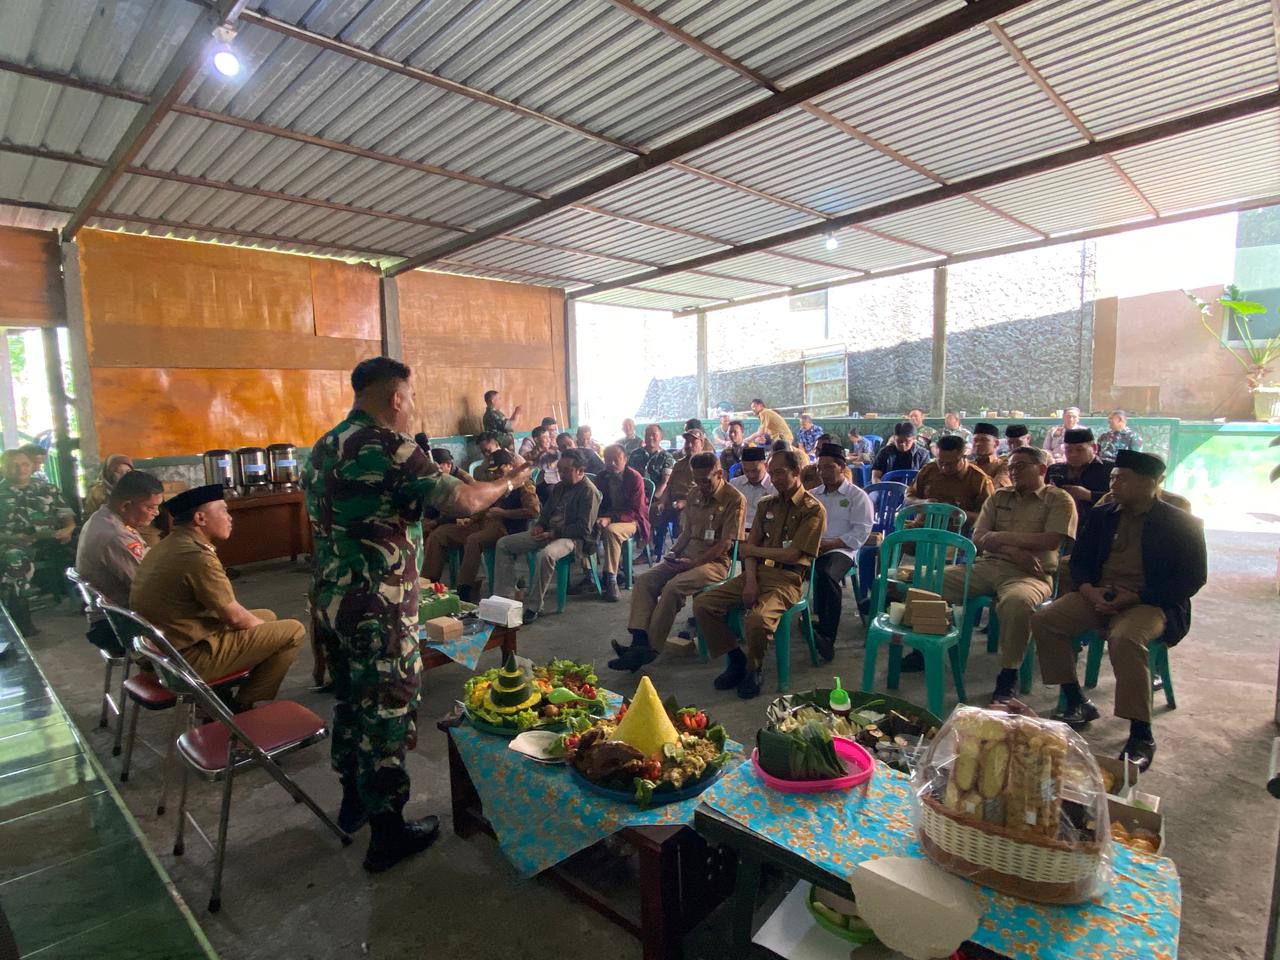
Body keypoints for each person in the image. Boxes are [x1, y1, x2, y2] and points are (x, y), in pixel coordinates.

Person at [304, 357, 527, 871]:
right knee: (388, 707)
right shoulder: (389, 447)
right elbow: (468, 500)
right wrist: (510, 482)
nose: (410, 409)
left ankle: (353, 799)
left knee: (351, 699)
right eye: (410, 398)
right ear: (396, 398)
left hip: (333, 600)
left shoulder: (324, 447)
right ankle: (387, 832)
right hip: (378, 604)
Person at [1033, 451, 1206, 771]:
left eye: (1122, 479)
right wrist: (1088, 590)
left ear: (1152, 483)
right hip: (1099, 593)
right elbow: (1080, 561)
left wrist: (1136, 596)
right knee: (1046, 620)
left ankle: (1141, 733)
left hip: (1150, 601)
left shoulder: (1181, 523)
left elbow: (1193, 579)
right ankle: (1075, 700)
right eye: (1112, 478)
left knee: (1125, 638)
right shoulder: (1103, 515)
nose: (1114, 485)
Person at [131, 484, 305, 707]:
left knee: (268, 616)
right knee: (293, 631)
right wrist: (260, 631)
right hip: (183, 661)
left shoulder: (170, 545)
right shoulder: (197, 557)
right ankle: (242, 707)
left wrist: (260, 629)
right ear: (201, 518)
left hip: (161, 651)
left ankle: (223, 696)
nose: (229, 517)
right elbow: (234, 617)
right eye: (223, 511)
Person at [932, 447, 1077, 703]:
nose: (1013, 471)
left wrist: (999, 537)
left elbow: (1051, 539)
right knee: (931, 581)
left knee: (1017, 603)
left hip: (1032, 574)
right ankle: (926, 649)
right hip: (988, 567)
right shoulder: (999, 497)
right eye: (1011, 466)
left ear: (1041, 469)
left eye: (1020, 466)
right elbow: (978, 537)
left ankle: (1009, 673)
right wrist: (1013, 551)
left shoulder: (1059, 499)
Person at [693, 450, 825, 699]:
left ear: (796, 472)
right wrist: (750, 581)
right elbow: (748, 553)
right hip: (756, 573)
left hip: (788, 580)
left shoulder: (813, 510)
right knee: (703, 603)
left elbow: (792, 555)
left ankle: (755, 668)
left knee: (757, 620)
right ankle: (735, 659)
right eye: (772, 472)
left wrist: (753, 549)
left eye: (780, 473)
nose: (774, 479)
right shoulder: (766, 505)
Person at [609, 452, 744, 671]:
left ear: (719, 474)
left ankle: (649, 650)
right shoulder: (694, 494)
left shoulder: (734, 499)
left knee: (674, 587)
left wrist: (694, 563)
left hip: (715, 563)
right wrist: (672, 553)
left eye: (706, 480)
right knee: (645, 580)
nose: (701, 485)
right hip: (687, 556)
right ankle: (638, 641)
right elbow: (687, 532)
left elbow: (725, 544)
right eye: (697, 480)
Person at [494, 450, 600, 624]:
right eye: (560, 469)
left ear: (580, 470)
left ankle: (534, 607)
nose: (561, 474)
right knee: (504, 544)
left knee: (545, 555)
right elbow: (545, 512)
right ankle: (505, 599)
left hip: (573, 538)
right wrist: (539, 525)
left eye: (566, 470)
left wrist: (553, 533)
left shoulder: (589, 491)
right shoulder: (560, 487)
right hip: (548, 531)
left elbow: (583, 529)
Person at [74, 470, 163, 653]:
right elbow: (148, 587)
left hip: (116, 614)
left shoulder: (105, 517)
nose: (156, 513)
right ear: (125, 506)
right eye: (150, 507)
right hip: (118, 625)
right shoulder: (115, 535)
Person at [810, 443, 874, 661]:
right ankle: (800, 620)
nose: (822, 472)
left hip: (842, 550)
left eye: (828, 468)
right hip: (813, 548)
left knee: (827, 574)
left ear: (842, 467)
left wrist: (829, 545)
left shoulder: (857, 496)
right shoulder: (813, 495)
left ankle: (827, 637)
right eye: (819, 468)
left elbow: (860, 533)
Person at [0, 449, 75, 634]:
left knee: (91, 543)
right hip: (13, 543)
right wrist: (13, 538)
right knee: (14, 558)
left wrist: (68, 529)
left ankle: (97, 605)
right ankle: (21, 619)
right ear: (3, 468)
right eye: (14, 465)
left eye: (25, 464)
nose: (21, 469)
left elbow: (67, 516)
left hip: (51, 541)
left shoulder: (47, 488)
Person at [595, 444, 650, 602]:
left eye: (616, 459)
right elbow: (596, 503)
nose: (611, 463)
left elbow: (635, 510)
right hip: (606, 517)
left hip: (631, 520)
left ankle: (611, 578)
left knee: (611, 531)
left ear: (625, 459)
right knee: (587, 526)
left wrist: (610, 519)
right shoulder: (601, 478)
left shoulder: (634, 478)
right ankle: (589, 574)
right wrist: (598, 518)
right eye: (608, 459)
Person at [905, 435, 994, 529]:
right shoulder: (929, 470)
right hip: (922, 528)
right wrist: (923, 502)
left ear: (964, 456)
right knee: (893, 540)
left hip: (957, 535)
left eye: (951, 464)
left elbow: (988, 518)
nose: (944, 468)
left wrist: (957, 513)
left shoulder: (979, 479)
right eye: (941, 462)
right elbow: (908, 498)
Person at [649, 429, 702, 558]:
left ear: (701, 443)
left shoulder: (705, 463)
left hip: (693, 504)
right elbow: (669, 486)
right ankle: (653, 549)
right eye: (687, 442)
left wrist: (685, 503)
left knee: (682, 518)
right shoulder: (679, 464)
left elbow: (703, 491)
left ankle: (681, 553)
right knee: (652, 511)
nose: (689, 445)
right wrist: (662, 501)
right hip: (672, 502)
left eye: (693, 441)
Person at [1046, 427, 1112, 527]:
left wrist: (1089, 495)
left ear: (1094, 448)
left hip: (1097, 526)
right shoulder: (1055, 470)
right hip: (1059, 525)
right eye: (1068, 450)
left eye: (1079, 450)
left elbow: (1123, 499)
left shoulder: (1110, 470)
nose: (1073, 455)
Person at [627, 424, 675, 506]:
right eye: (647, 435)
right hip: (635, 496)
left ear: (661, 437)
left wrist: (651, 500)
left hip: (656, 499)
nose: (650, 437)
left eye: (654, 434)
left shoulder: (667, 457)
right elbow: (628, 478)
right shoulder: (635, 454)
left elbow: (665, 483)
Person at [730, 446, 775, 532]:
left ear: (766, 465)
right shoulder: (735, 484)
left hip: (765, 531)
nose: (751, 475)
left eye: (755, 471)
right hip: (738, 530)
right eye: (746, 471)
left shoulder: (774, 486)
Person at [968, 423, 1010, 489]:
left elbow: (998, 487)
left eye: (984, 440)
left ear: (996, 443)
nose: (978, 444)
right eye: (975, 440)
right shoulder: (968, 465)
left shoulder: (1004, 464)